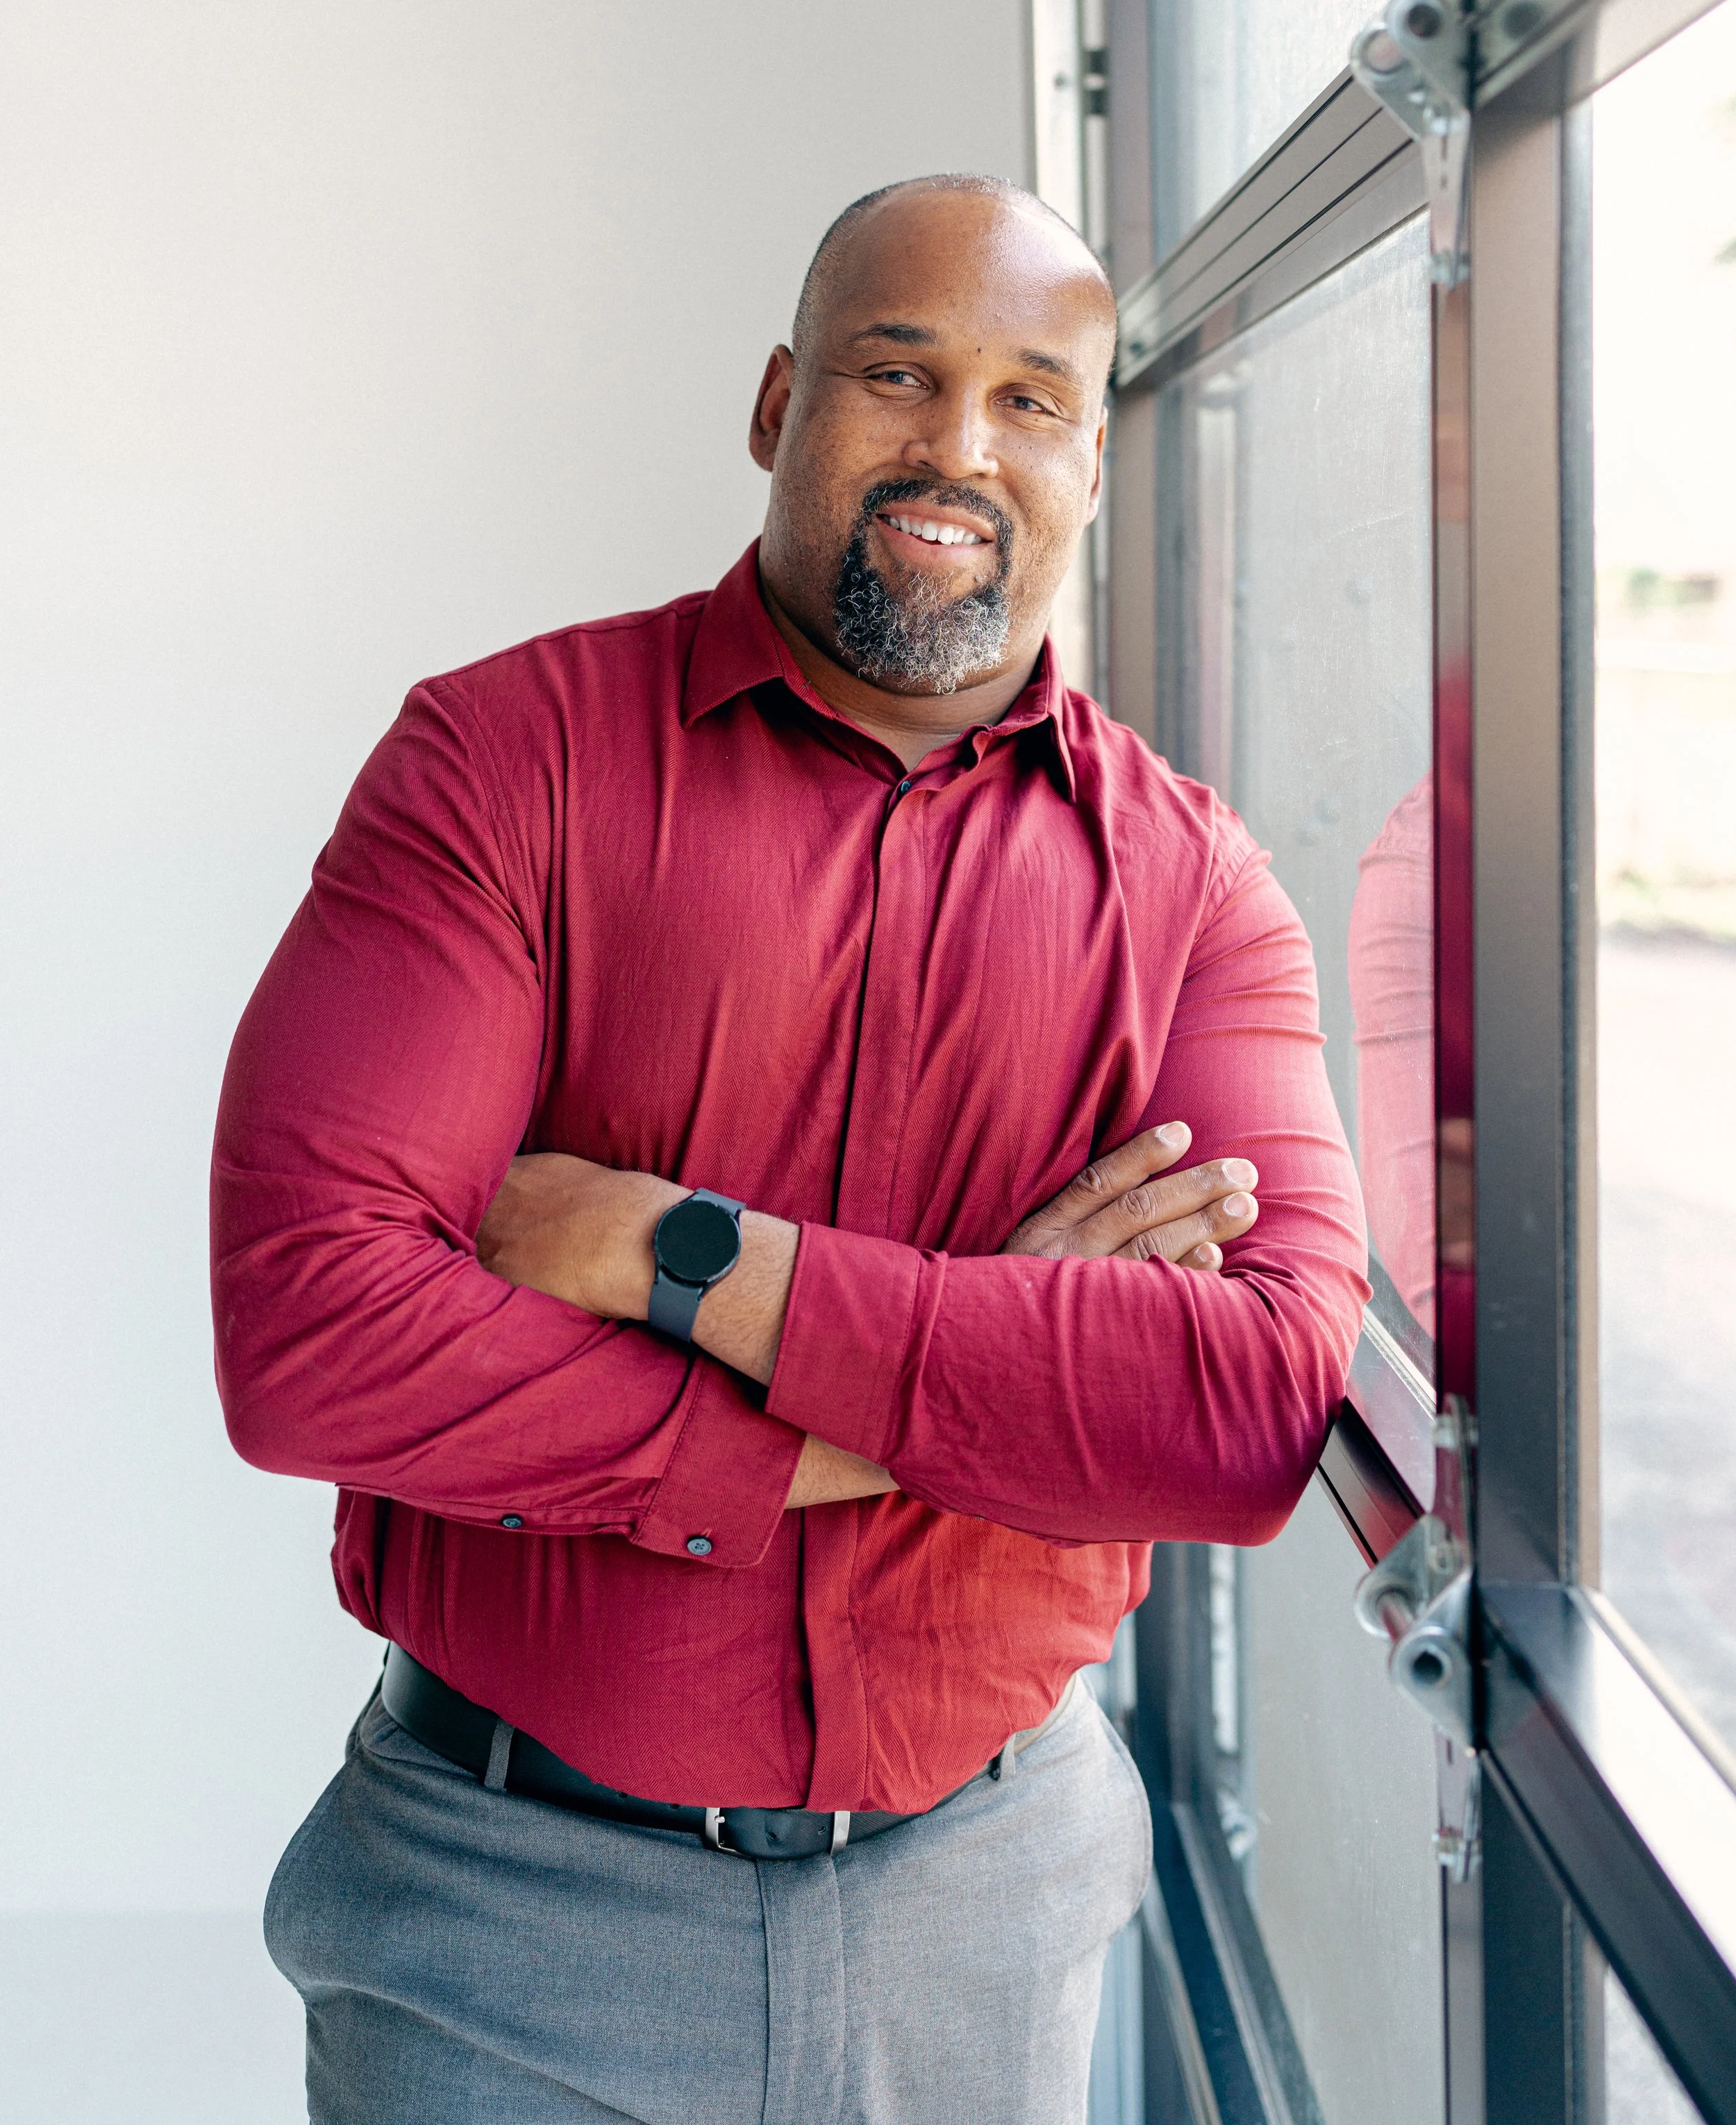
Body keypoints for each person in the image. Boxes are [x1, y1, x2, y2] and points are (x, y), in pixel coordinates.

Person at [212, 173, 1367, 2124]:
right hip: (505, 1905)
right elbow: (313, 1334)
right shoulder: (503, 767)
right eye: (893, 374)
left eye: (1029, 399)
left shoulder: (1190, 890)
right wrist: (979, 1378)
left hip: (986, 1911)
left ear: (1092, 457)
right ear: (775, 406)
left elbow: (1246, 1414)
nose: (955, 445)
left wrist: (681, 1258)